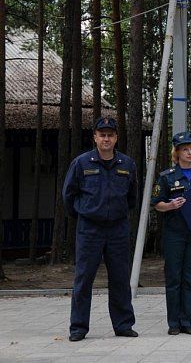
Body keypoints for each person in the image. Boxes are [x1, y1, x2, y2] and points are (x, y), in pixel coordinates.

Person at [63, 116, 138, 342]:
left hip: (117, 229)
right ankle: (78, 328)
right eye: (102, 134)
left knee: (120, 278)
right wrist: (86, 213)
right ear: (95, 137)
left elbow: (132, 197)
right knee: (84, 279)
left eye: (110, 135)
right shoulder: (81, 163)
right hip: (90, 229)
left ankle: (123, 325)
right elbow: (69, 195)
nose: (106, 138)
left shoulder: (127, 164)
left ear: (116, 138)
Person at [151, 131, 191, 336]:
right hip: (174, 233)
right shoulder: (167, 176)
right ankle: (173, 323)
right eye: (185, 149)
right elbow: (157, 204)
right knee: (173, 277)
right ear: (177, 153)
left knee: (190, 278)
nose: (189, 153)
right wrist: (170, 205)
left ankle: (186, 321)